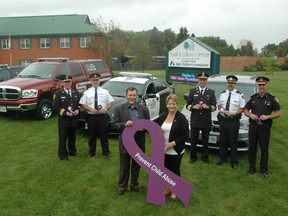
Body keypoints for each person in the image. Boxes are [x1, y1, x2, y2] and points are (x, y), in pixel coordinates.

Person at [112, 87, 150, 196]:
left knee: (136, 165)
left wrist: (144, 128)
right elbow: (114, 125)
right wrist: (124, 124)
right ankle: (122, 186)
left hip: (139, 141)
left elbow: (149, 124)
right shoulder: (119, 109)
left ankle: (134, 184)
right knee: (124, 166)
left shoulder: (144, 109)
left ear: (136, 96)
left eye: (134, 95)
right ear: (126, 95)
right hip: (125, 142)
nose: (132, 97)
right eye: (130, 95)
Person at [244, 76, 281, 178]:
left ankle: (264, 169)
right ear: (257, 85)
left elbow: (278, 113)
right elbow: (246, 110)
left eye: (263, 85)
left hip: (265, 127)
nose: (261, 87)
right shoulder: (253, 98)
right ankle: (252, 167)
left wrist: (269, 116)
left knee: (264, 149)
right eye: (259, 85)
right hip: (253, 127)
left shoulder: (272, 98)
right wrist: (250, 115)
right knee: (252, 148)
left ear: (266, 86)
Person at [156, 94, 189, 200]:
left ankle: (176, 189)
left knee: (174, 171)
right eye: (170, 104)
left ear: (177, 104)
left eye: (174, 104)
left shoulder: (181, 118)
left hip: (175, 149)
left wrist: (173, 143)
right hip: (163, 149)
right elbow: (155, 127)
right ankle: (167, 188)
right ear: (166, 105)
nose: (172, 106)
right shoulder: (163, 116)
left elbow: (185, 135)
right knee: (165, 170)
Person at [79, 73, 114, 157]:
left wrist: (105, 109)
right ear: (91, 81)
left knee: (104, 135)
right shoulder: (86, 92)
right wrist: (90, 109)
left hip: (102, 117)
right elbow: (82, 104)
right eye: (93, 80)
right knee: (91, 135)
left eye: (97, 80)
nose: (95, 82)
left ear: (99, 81)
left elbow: (110, 102)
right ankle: (91, 152)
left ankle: (106, 152)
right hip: (91, 117)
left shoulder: (105, 91)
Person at [216, 75, 246, 169]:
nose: (230, 84)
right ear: (226, 83)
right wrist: (223, 111)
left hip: (234, 121)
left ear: (235, 84)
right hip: (223, 120)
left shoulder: (239, 95)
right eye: (229, 83)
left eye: (232, 83)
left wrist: (234, 113)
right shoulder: (222, 94)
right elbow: (219, 106)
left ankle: (233, 161)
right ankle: (223, 158)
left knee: (233, 141)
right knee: (223, 140)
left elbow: (242, 108)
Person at [186, 72, 216, 164]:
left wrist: (209, 107)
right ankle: (193, 157)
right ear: (198, 80)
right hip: (195, 119)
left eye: (204, 80)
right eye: (201, 79)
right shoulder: (192, 91)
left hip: (205, 120)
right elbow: (187, 105)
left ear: (206, 81)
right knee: (193, 140)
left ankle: (205, 157)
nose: (202, 81)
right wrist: (193, 107)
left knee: (205, 140)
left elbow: (214, 106)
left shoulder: (211, 92)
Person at [53, 75, 81, 161]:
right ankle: (63, 155)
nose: (67, 83)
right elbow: (55, 107)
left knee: (72, 137)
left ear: (71, 82)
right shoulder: (58, 94)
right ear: (62, 83)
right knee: (63, 138)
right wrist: (65, 113)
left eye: (69, 82)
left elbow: (79, 104)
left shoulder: (76, 93)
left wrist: (78, 110)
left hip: (73, 120)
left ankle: (72, 151)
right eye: (66, 82)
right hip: (64, 120)